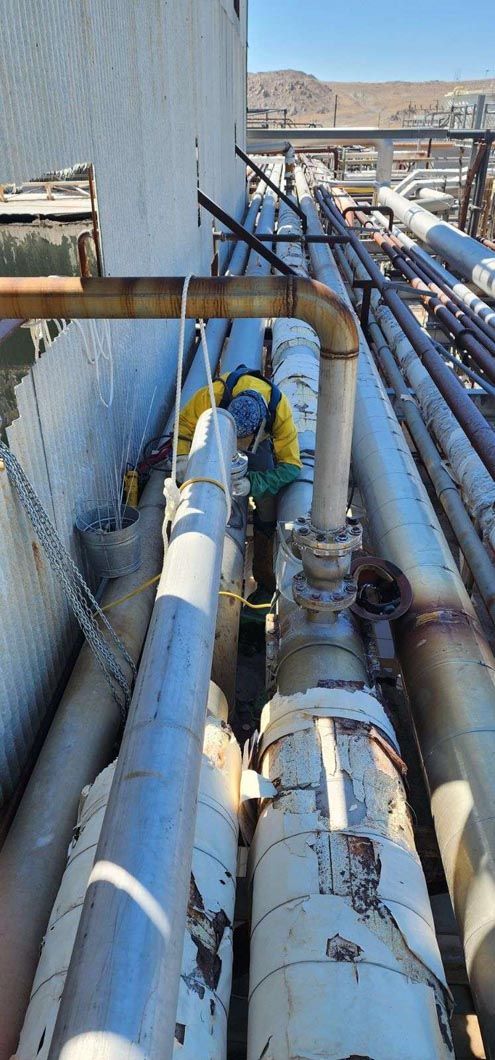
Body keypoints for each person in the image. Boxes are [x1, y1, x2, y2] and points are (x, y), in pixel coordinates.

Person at [177, 364, 302, 593]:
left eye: (242, 440)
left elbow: (291, 466)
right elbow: (184, 425)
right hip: (218, 432)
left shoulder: (279, 411)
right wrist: (182, 458)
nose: (237, 447)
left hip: (258, 445)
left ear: (261, 426)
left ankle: (264, 574)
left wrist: (254, 483)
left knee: (267, 504)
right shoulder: (214, 395)